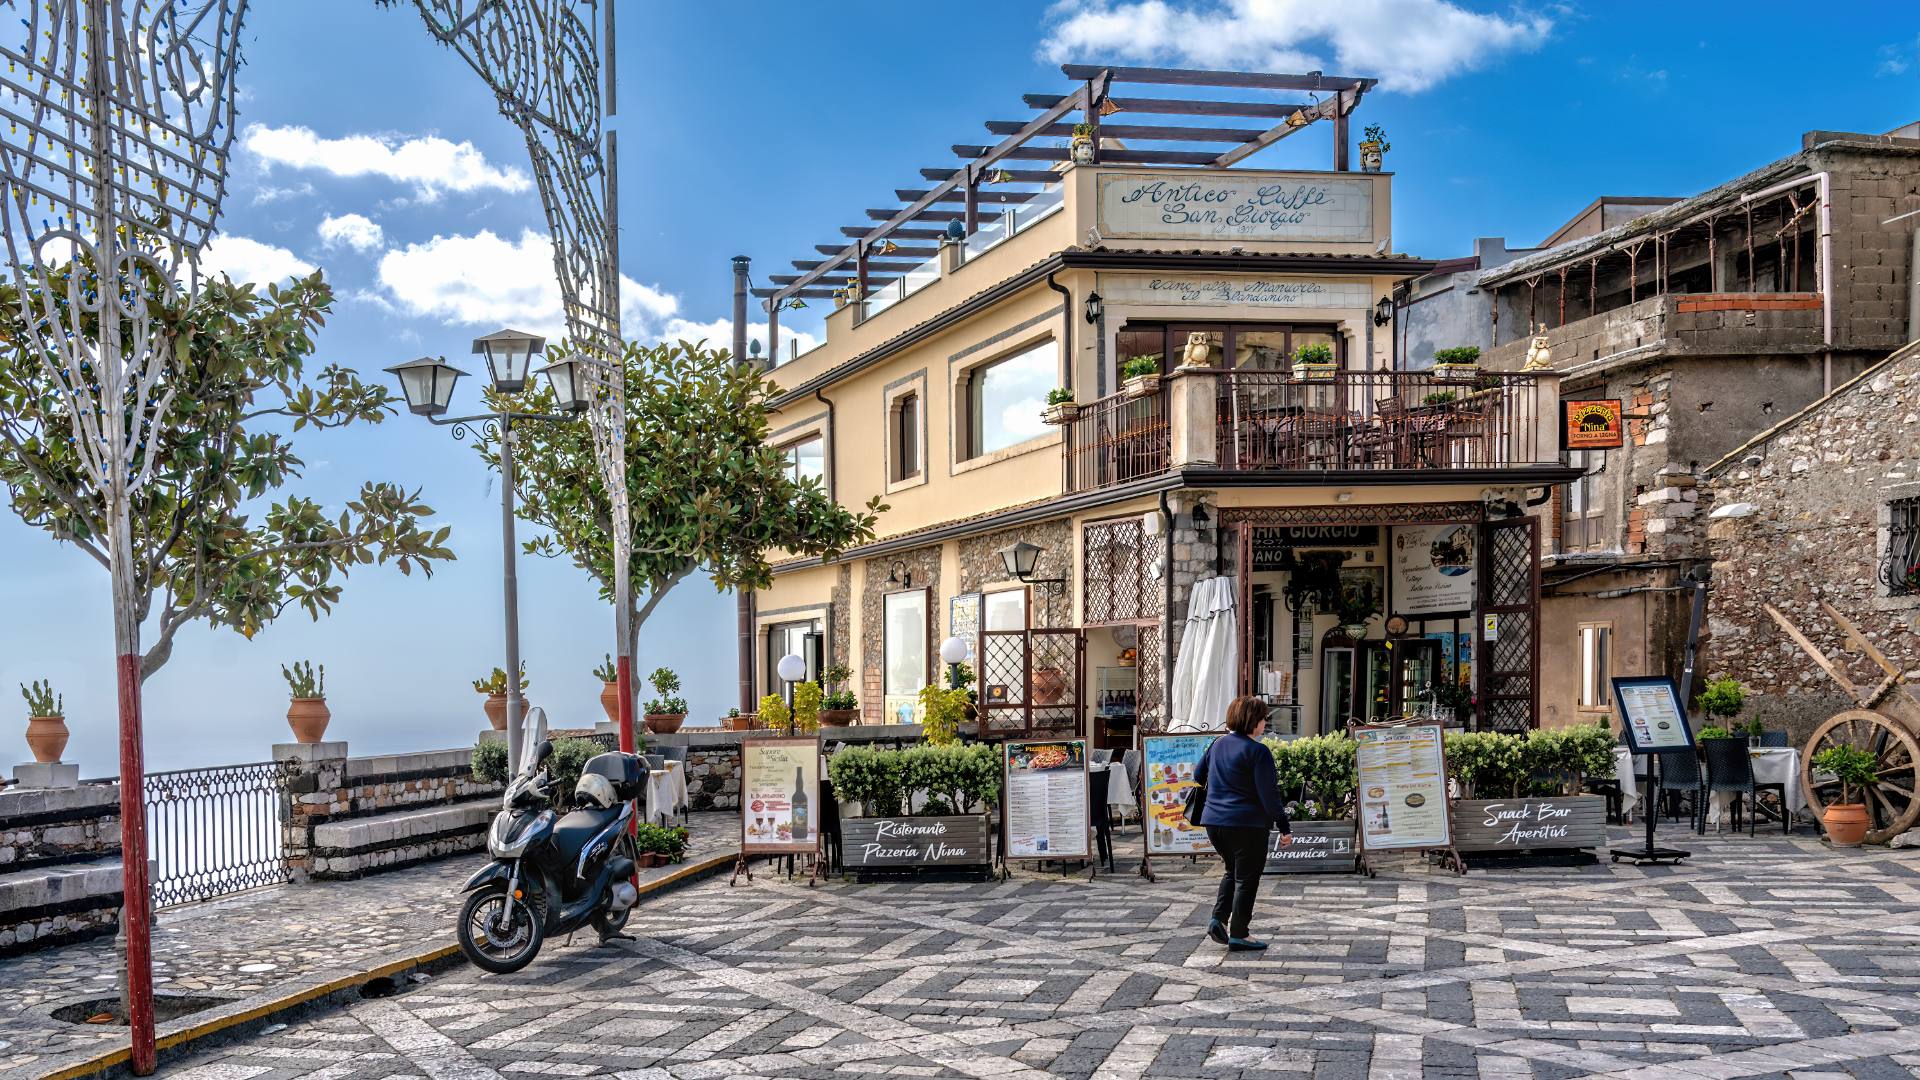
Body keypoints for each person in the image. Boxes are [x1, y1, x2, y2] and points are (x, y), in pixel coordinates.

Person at [1193, 696, 1292, 950]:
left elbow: (1198, 775)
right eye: (1263, 718)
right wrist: (1284, 827)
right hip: (1247, 824)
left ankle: (1218, 919)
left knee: (1232, 870)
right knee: (1247, 879)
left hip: (1214, 822)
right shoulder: (1258, 751)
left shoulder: (1217, 744)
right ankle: (1240, 933)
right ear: (1253, 721)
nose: (1265, 723)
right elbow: (1269, 795)